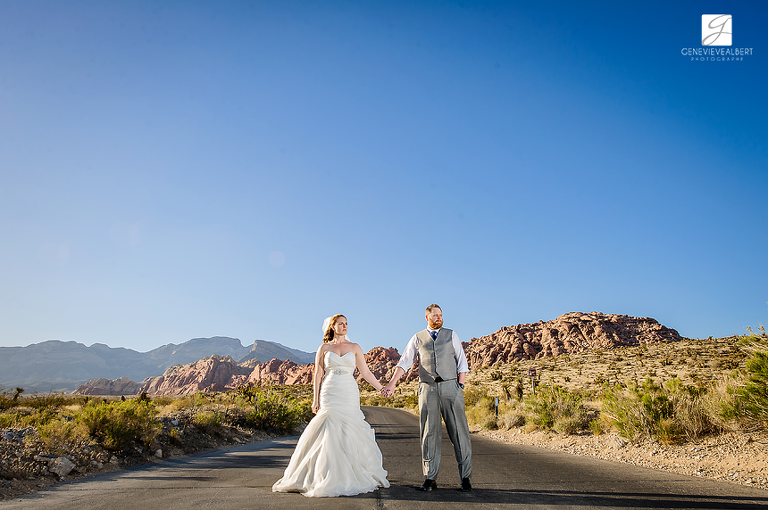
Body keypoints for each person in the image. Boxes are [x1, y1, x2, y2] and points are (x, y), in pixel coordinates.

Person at [272, 314, 390, 497]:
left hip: (349, 391)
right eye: (341, 324)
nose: (345, 326)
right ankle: (324, 474)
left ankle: (350, 473)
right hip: (330, 390)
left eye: (346, 324)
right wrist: (315, 399)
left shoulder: (355, 347)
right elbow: (318, 374)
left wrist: (381, 388)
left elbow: (365, 372)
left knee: (349, 429)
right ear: (332, 326)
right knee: (327, 429)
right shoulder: (324, 348)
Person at [382, 304, 472, 492]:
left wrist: (459, 385)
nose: (439, 318)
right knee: (429, 433)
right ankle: (430, 478)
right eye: (435, 315)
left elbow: (462, 362)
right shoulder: (418, 338)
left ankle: (465, 478)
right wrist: (391, 383)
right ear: (427, 317)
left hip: (451, 387)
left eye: (440, 315)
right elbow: (404, 362)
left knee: (459, 432)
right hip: (427, 388)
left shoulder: (451, 335)